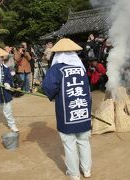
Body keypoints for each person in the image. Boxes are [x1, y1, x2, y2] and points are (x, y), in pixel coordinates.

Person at [42, 38, 92, 180]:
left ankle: (74, 174)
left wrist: (52, 96)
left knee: (70, 145)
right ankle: (87, 170)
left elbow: (48, 87)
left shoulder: (57, 69)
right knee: (84, 141)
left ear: (58, 54)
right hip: (83, 111)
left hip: (67, 113)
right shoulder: (81, 68)